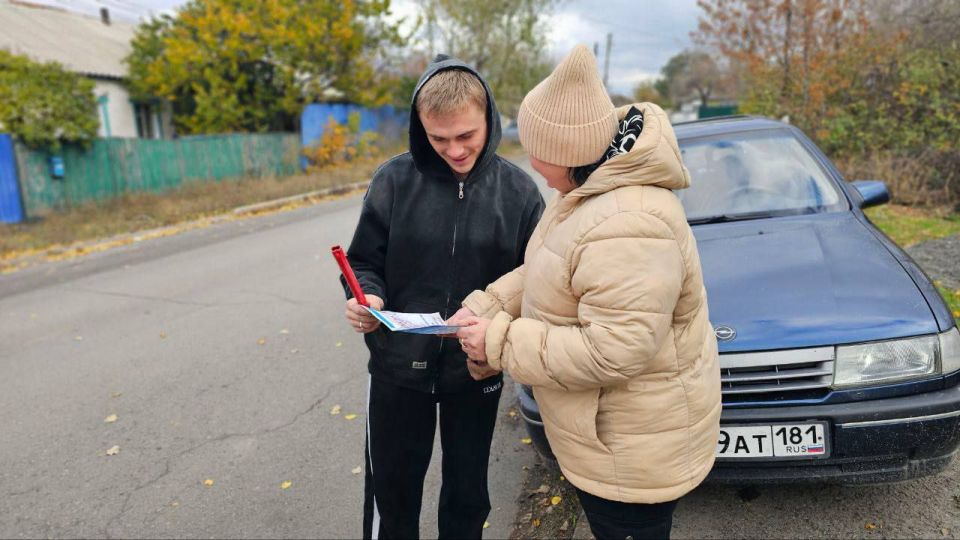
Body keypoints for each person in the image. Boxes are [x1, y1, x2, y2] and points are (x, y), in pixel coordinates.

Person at [453, 45, 721, 540]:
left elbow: (614, 349)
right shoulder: (584, 191)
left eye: (533, 146)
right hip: (613, 440)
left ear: (562, 153)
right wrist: (484, 306)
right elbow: (548, 268)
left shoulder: (628, 222)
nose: (528, 158)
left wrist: (499, 340)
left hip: (634, 451)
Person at [341, 54, 545, 539]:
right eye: (438, 138)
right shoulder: (393, 181)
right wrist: (366, 297)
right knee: (393, 496)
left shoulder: (518, 192)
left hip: (475, 371)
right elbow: (364, 261)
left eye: (466, 136)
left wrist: (499, 345)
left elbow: (535, 284)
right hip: (396, 370)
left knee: (467, 497)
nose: (454, 150)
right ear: (420, 127)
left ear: (489, 120)